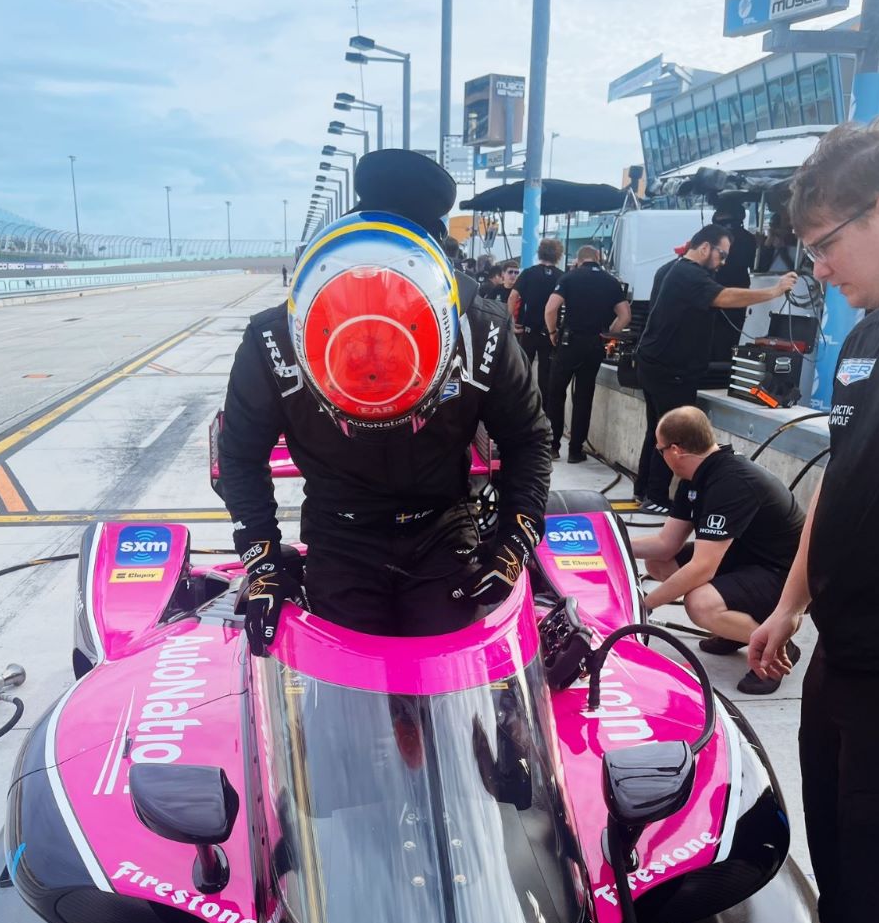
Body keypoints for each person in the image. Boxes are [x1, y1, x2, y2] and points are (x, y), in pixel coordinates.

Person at [213, 148, 552, 651]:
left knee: (455, 681)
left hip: (442, 527)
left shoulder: (482, 329)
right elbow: (239, 455)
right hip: (339, 534)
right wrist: (262, 563)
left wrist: (514, 542)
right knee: (345, 691)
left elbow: (528, 440)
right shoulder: (273, 340)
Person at [745, 117, 879, 923]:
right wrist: (786, 603)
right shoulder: (866, 335)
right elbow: (835, 484)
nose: (818, 268)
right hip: (845, 648)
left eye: (824, 242)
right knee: (837, 857)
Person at [630, 407, 804, 693]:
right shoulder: (695, 477)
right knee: (659, 564)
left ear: (675, 450)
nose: (660, 455)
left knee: (700, 603)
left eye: (659, 449)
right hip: (747, 559)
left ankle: (775, 646)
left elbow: (703, 567)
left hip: (785, 576)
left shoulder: (731, 482)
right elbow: (665, 546)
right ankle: (735, 630)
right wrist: (607, 543)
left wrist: (643, 606)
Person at [633, 225, 797, 512]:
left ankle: (644, 489)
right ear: (705, 247)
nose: (723, 262)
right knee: (674, 434)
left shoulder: (673, 270)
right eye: (722, 254)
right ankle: (656, 497)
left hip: (655, 361)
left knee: (657, 429)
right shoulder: (689, 274)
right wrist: (774, 290)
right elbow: (725, 297)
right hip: (671, 367)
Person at [543, 246, 631, 462]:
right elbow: (625, 315)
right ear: (598, 258)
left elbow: (551, 308)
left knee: (556, 393)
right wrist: (608, 334)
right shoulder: (611, 282)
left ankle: (553, 446)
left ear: (578, 260)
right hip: (594, 344)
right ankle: (575, 450)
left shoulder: (569, 277)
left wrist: (553, 332)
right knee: (584, 396)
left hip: (569, 342)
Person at [508, 238, 565, 399]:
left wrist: (510, 323)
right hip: (550, 332)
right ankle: (543, 413)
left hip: (527, 330)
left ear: (540, 253)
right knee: (546, 376)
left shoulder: (529, 273)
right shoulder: (562, 276)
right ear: (558, 255)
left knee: (522, 372)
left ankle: (519, 409)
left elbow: (513, 297)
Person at [709, 200, 759, 364]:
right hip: (739, 291)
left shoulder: (723, 239)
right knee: (730, 334)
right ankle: (724, 366)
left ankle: (717, 367)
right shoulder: (749, 238)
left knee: (717, 334)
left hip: (722, 289)